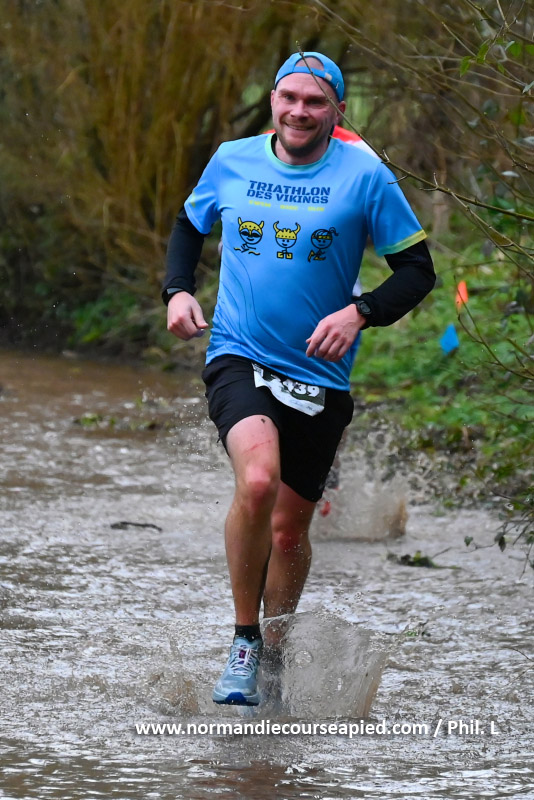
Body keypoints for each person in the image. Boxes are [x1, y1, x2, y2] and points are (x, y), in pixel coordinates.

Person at [162, 52, 435, 706]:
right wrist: (178, 290)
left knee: (289, 533)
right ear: (274, 101)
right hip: (239, 353)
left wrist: (360, 312)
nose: (299, 111)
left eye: (315, 101)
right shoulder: (233, 159)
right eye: (289, 98)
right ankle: (244, 640)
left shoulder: (366, 175)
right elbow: (188, 225)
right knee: (257, 481)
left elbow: (417, 271)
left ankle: (276, 653)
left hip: (319, 372)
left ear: (337, 110)